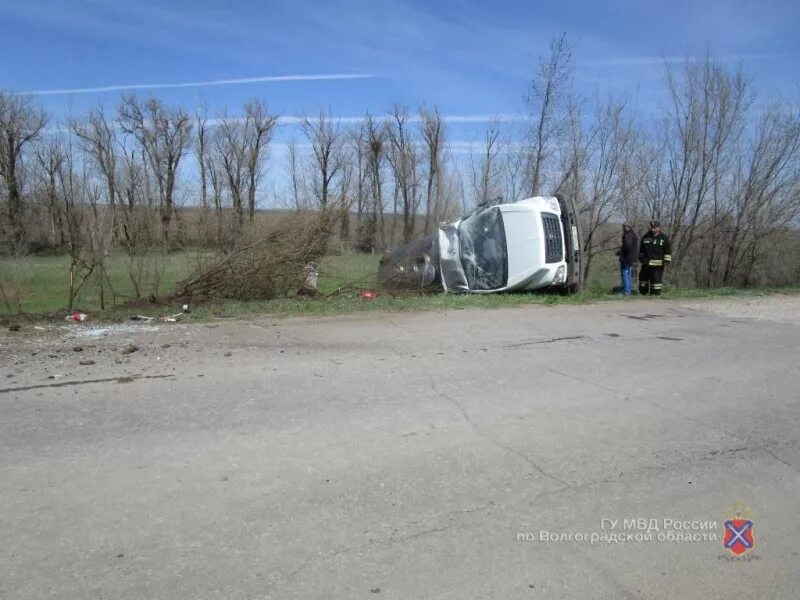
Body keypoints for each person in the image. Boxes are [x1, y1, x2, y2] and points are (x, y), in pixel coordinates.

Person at [638, 220, 672, 296]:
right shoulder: (646, 236)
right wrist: (641, 258)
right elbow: (642, 249)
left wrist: (667, 260)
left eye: (654, 228)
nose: (653, 229)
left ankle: (655, 294)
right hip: (646, 262)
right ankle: (643, 293)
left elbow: (667, 250)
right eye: (652, 228)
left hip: (658, 264)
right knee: (643, 278)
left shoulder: (664, 238)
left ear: (659, 228)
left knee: (656, 278)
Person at [617, 222, 638, 296]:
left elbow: (628, 246)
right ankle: (629, 290)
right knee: (628, 273)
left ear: (627, 227)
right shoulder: (633, 234)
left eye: (623, 227)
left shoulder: (628, 235)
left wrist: (622, 250)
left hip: (627, 257)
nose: (623, 229)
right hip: (631, 257)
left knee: (625, 273)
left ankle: (626, 292)